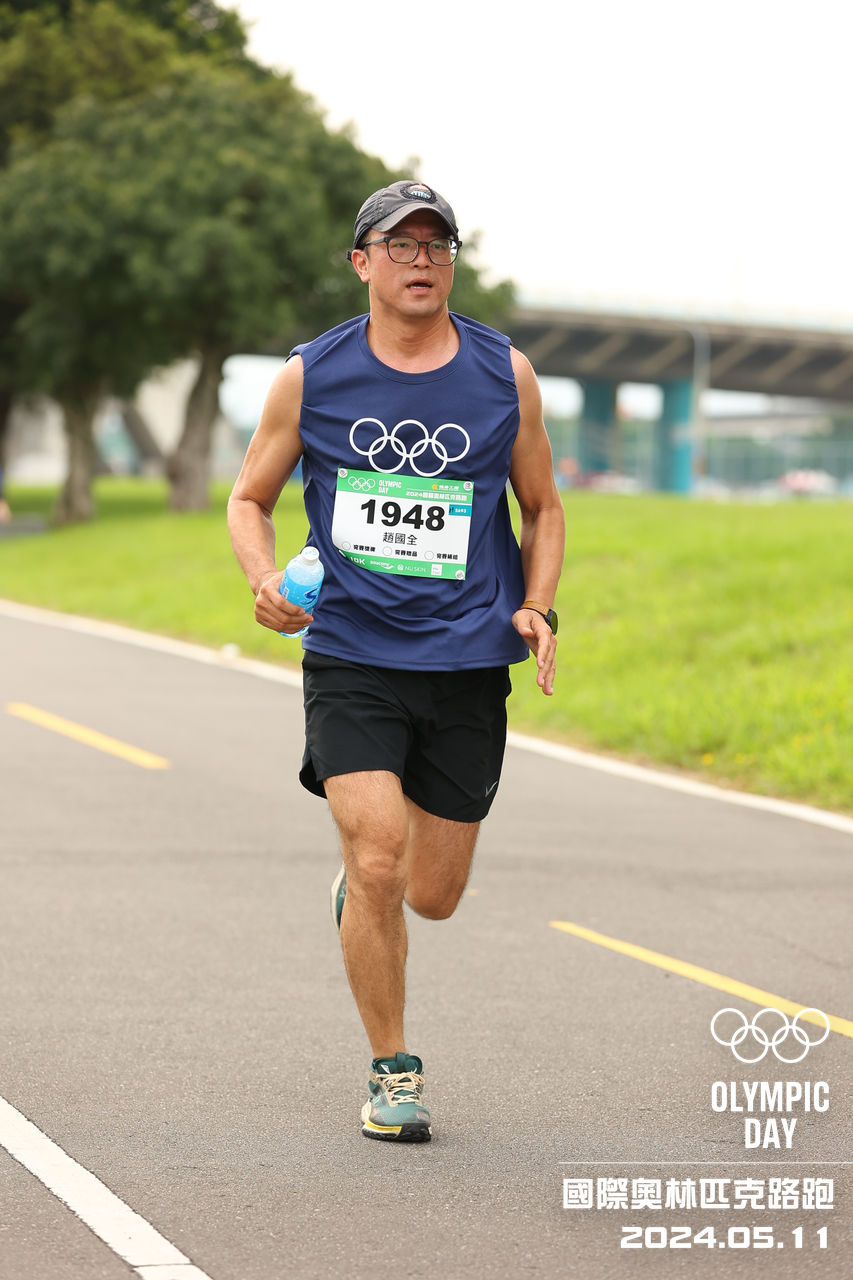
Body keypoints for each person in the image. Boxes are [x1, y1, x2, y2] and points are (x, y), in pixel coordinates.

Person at [227, 180, 565, 1143]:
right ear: (361, 262)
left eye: (437, 245)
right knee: (378, 857)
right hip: (352, 651)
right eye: (400, 244)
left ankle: (364, 892)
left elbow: (542, 506)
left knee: (432, 895)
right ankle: (392, 1070)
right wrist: (264, 581)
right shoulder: (311, 375)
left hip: (467, 660)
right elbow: (249, 498)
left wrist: (537, 604)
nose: (422, 260)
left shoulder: (504, 374)